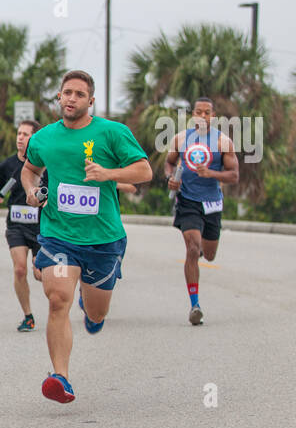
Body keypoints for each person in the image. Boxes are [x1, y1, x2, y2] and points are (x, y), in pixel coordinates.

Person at [23, 70, 152, 403]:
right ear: (59, 97)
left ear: (90, 101)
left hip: (103, 239)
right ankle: (61, 378)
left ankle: (92, 311)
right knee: (57, 299)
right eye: (67, 92)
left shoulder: (112, 133)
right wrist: (32, 190)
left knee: (96, 312)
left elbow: (144, 170)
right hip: (58, 236)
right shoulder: (44, 138)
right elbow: (30, 169)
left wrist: (109, 174)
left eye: (79, 94)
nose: (72, 99)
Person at [165, 97, 239, 325]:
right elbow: (168, 163)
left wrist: (212, 174)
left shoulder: (223, 142)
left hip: (212, 203)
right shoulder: (180, 139)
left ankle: (198, 254)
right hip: (188, 201)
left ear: (213, 117)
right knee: (192, 246)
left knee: (209, 254)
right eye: (199, 112)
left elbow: (234, 175)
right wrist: (170, 178)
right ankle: (194, 304)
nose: (203, 116)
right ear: (193, 115)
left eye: (207, 112)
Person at [0, 119, 45, 331]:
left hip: (41, 228)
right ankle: (28, 316)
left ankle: (59, 299)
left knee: (40, 273)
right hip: (16, 225)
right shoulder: (8, 164)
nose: (20, 138)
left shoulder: (45, 164)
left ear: (35, 138)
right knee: (20, 270)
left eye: (25, 134)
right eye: (19, 133)